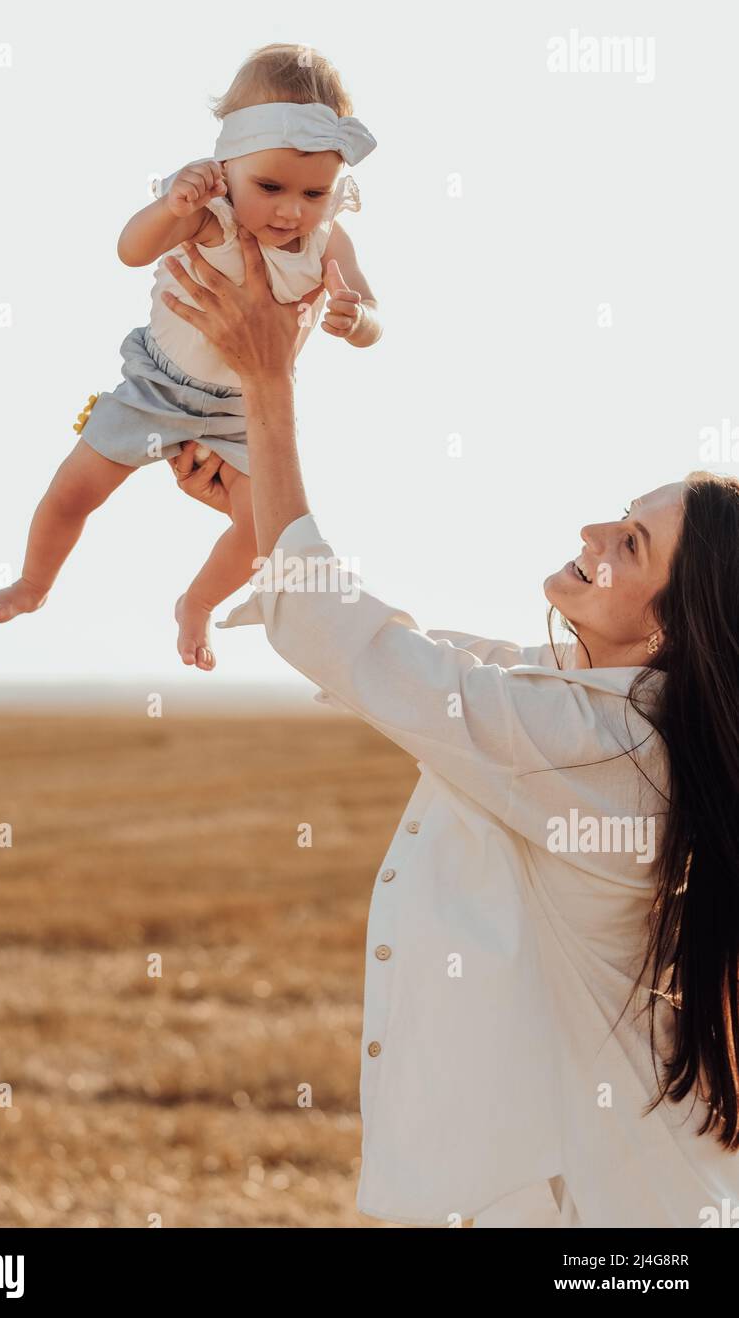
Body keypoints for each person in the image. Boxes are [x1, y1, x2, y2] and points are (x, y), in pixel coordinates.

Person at [159, 225, 739, 1228]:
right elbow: (399, 654)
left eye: (629, 543)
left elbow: (369, 656)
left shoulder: (601, 742)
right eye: (617, 514)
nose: (591, 534)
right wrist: (263, 512)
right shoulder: (583, 704)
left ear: (669, 626)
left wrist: (268, 388)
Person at [0, 43, 380, 672]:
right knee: (73, 490)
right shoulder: (205, 212)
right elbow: (130, 252)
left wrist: (357, 319)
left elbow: (373, 313)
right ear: (227, 164)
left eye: (314, 192)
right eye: (269, 186)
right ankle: (32, 583)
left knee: (265, 529)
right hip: (156, 386)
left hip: (247, 411)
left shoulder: (328, 239)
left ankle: (197, 602)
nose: (291, 209)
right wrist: (170, 206)